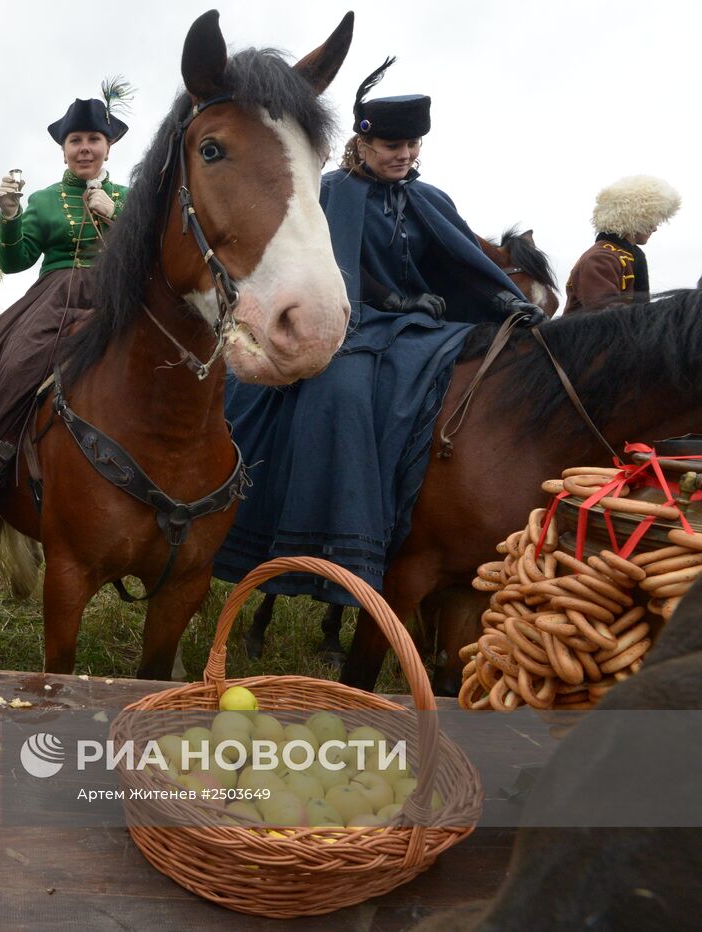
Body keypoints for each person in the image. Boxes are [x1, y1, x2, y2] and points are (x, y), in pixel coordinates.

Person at [214, 57, 541, 604]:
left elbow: (463, 263)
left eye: (412, 146)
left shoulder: (431, 199)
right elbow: (324, 261)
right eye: (393, 146)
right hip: (352, 327)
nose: (404, 155)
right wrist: (389, 296)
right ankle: (332, 542)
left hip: (424, 329)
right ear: (362, 144)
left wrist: (507, 299)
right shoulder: (331, 191)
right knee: (338, 391)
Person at [0, 87, 129, 539]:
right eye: (75, 140)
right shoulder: (42, 200)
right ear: (63, 149)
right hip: (56, 295)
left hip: (121, 293)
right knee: (4, 358)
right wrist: (8, 217)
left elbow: (156, 255)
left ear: (108, 146)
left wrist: (116, 215)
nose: (84, 148)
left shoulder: (131, 195)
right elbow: (13, 261)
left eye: (93, 139)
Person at [562, 175, 680, 313]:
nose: (655, 228)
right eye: (653, 220)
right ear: (634, 217)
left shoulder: (630, 256)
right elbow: (607, 321)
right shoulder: (600, 258)